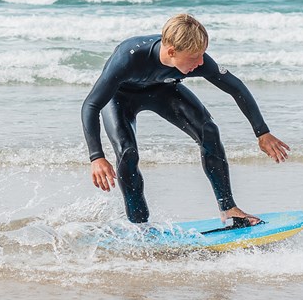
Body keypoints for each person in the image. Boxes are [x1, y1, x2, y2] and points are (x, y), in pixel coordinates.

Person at [80, 13, 289, 226]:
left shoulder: (199, 61)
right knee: (128, 153)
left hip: (163, 89)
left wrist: (262, 132)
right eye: (194, 58)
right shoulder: (128, 58)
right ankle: (140, 226)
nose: (200, 63)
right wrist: (96, 157)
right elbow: (91, 105)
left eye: (202, 55)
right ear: (171, 52)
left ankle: (229, 209)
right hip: (120, 97)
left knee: (208, 130)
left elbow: (236, 87)